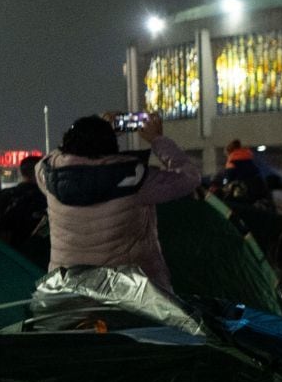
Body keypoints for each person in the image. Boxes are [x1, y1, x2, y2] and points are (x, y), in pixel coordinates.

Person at [37, 112, 199, 291]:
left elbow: (51, 157)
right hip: (131, 292)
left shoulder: (48, 176)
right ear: (112, 144)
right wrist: (157, 139)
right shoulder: (136, 178)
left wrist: (90, 133)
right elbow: (189, 178)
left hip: (67, 287)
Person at [0, 153, 46, 251]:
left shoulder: (4, 195)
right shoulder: (45, 199)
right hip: (36, 258)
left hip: (7, 256)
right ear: (40, 172)